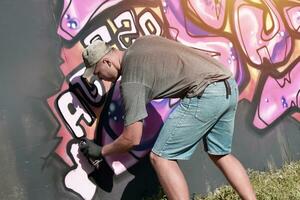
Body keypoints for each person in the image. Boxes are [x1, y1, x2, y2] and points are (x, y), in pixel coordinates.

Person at [79, 36, 256, 200]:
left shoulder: (131, 80)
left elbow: (132, 138)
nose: (100, 78)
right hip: (227, 84)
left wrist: (102, 151)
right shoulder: (142, 42)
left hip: (205, 92)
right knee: (221, 154)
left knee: (161, 158)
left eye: (98, 73)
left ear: (107, 61)